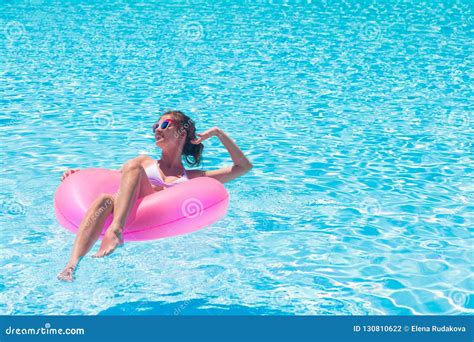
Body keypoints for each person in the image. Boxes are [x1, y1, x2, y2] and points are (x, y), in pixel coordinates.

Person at [57, 110, 252, 282]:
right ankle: (71, 266)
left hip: (153, 217)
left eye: (164, 125)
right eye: (155, 126)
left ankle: (116, 230)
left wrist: (218, 133)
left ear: (181, 132)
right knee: (104, 199)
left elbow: (243, 167)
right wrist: (78, 175)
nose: (157, 129)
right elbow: (112, 178)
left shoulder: (192, 178)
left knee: (132, 168)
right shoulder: (144, 162)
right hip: (128, 210)